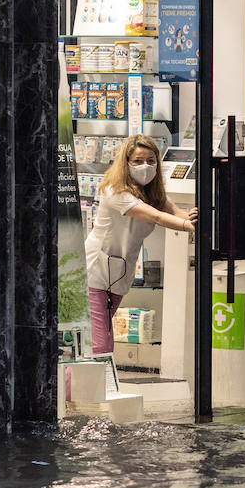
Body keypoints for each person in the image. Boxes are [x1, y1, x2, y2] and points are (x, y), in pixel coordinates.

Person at [85, 135, 197, 355]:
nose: (145, 166)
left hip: (117, 277)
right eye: (137, 161)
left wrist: (190, 218)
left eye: (150, 160)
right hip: (94, 273)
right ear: (125, 163)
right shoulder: (115, 191)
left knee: (100, 345)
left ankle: (83, 388)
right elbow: (156, 216)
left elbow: (172, 210)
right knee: (100, 346)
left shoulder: (151, 193)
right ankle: (76, 389)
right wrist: (186, 225)